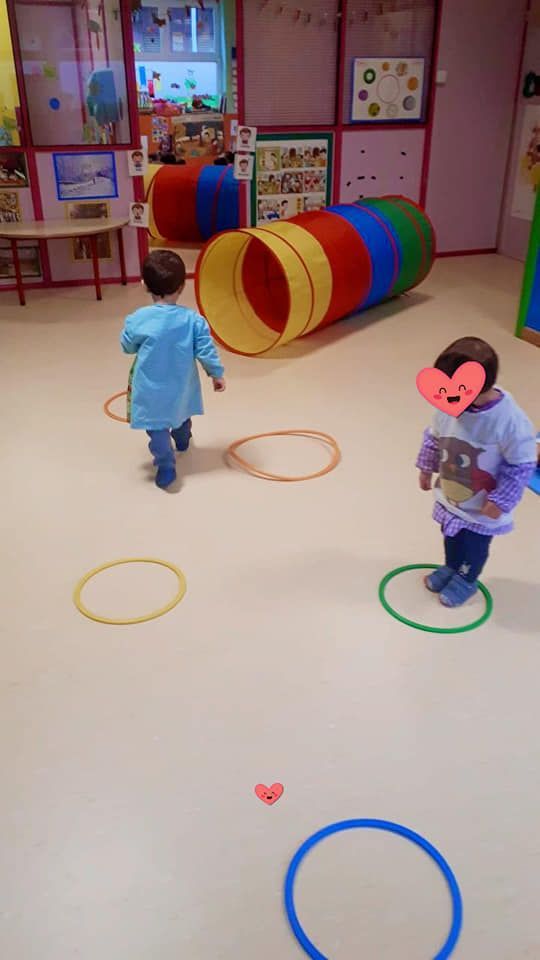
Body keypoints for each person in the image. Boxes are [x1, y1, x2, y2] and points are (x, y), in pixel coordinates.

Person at [416, 337, 536, 607]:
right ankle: (451, 567)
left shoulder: (509, 420)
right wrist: (426, 468)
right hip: (452, 494)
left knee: (473, 545)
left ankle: (466, 579)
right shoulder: (449, 404)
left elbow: (521, 464)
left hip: (482, 506)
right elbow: (434, 437)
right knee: (451, 536)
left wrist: (501, 500)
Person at [120, 250, 225, 489]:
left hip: (151, 391)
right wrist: (216, 374)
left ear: (145, 285)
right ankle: (182, 437)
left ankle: (166, 464)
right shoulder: (193, 320)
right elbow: (206, 350)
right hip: (181, 386)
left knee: (157, 429)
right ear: (182, 286)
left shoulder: (138, 319)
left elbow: (127, 346)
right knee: (181, 412)